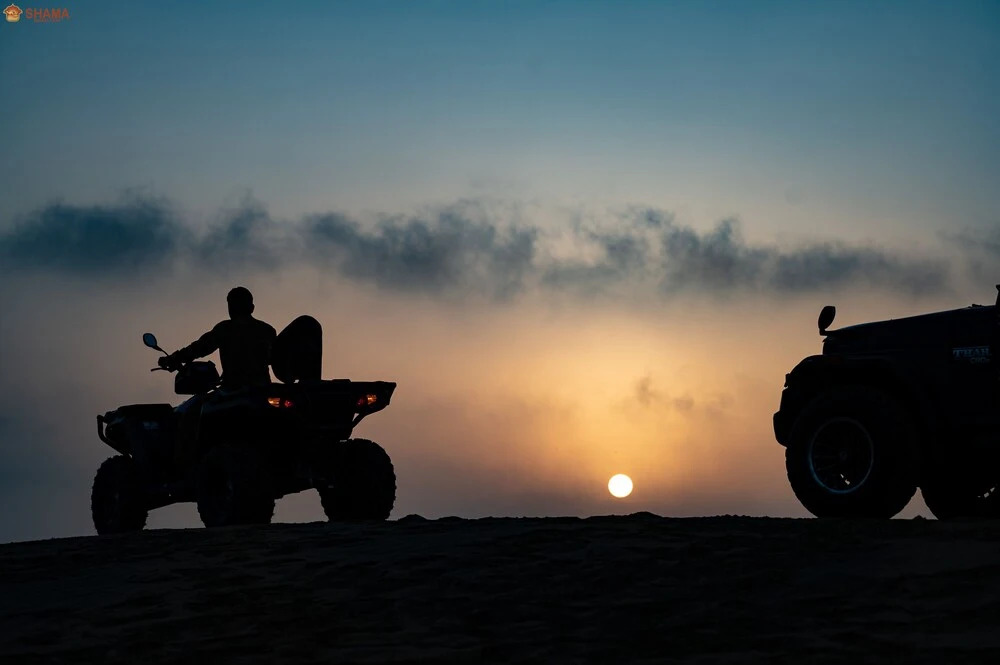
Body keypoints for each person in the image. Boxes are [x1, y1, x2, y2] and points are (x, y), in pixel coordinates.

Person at [160, 286, 277, 471]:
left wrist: (173, 358)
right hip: (263, 390)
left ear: (230, 308)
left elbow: (199, 348)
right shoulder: (267, 330)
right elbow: (276, 359)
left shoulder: (225, 329)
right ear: (252, 307)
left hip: (232, 390)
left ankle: (181, 468)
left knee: (189, 415)